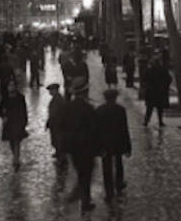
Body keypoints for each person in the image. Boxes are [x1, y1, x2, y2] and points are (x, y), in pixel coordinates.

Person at [64, 76, 97, 212]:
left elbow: (63, 127)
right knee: (86, 174)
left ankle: (84, 199)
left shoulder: (68, 107)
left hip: (73, 147)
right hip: (86, 146)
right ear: (84, 92)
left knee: (82, 172)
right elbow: (94, 129)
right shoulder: (88, 108)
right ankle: (82, 199)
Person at [95, 89, 131, 202]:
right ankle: (119, 184)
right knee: (118, 163)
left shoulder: (99, 110)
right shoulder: (120, 110)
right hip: (117, 141)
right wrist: (127, 147)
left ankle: (108, 190)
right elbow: (124, 129)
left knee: (106, 167)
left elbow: (96, 130)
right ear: (115, 98)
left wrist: (97, 146)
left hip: (105, 143)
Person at [0, 78, 29, 171]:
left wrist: (24, 122)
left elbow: (24, 111)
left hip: (17, 122)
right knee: (11, 142)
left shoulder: (20, 97)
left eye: (13, 85)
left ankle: (16, 159)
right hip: (8, 123)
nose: (11, 88)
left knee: (16, 141)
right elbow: (0, 109)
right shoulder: (5, 97)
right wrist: (3, 116)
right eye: (9, 86)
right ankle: (15, 156)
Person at [142, 55, 171, 127]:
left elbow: (144, 80)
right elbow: (169, 79)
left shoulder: (149, 70)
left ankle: (146, 121)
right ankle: (160, 122)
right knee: (160, 108)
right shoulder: (163, 70)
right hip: (160, 92)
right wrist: (165, 86)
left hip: (151, 92)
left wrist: (147, 87)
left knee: (149, 108)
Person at [45, 82, 68, 163]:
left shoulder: (58, 100)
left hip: (57, 124)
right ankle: (58, 153)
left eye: (51, 90)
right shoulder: (56, 99)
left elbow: (57, 113)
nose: (50, 92)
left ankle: (61, 156)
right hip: (55, 124)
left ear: (55, 90)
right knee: (55, 140)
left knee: (59, 140)